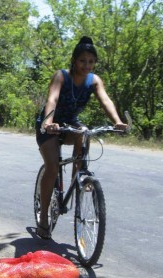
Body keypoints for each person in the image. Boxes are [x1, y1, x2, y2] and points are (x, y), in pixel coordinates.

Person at [35, 36, 127, 240]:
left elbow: (105, 100)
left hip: (70, 124)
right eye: (82, 61)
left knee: (84, 132)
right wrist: (48, 122)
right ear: (74, 61)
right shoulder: (61, 76)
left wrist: (117, 121)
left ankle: (78, 176)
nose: (87, 65)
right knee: (52, 167)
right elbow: (53, 98)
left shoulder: (94, 80)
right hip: (49, 125)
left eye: (91, 62)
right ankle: (43, 219)